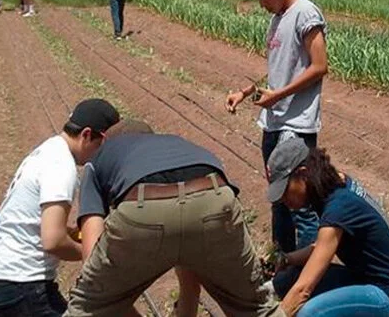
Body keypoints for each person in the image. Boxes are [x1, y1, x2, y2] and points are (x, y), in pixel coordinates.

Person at [65, 120, 281, 317]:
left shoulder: (101, 156)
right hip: (214, 197)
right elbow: (190, 276)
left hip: (142, 207)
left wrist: (104, 295)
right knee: (256, 307)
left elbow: (91, 252)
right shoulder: (177, 144)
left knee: (87, 308)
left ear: (107, 141)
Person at [0, 99, 121, 317]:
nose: (103, 156)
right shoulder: (61, 167)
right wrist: (90, 254)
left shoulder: (49, 150)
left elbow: (38, 222)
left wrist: (73, 233)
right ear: (86, 135)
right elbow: (53, 240)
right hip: (22, 286)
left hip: (3, 276)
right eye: (103, 147)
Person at [226, 0, 329, 255]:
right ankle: (283, 261)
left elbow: (319, 66)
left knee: (302, 204)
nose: (261, 3)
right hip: (274, 122)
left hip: (296, 125)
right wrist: (247, 92)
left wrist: (279, 96)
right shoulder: (278, 18)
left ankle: (311, 272)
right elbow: (281, 69)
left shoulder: (306, 14)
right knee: (279, 199)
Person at [267, 140, 389, 316]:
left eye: (285, 190)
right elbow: (321, 247)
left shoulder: (339, 207)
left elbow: (303, 291)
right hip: (365, 281)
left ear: (303, 174)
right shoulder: (334, 187)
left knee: (310, 313)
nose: (283, 199)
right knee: (288, 279)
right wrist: (286, 259)